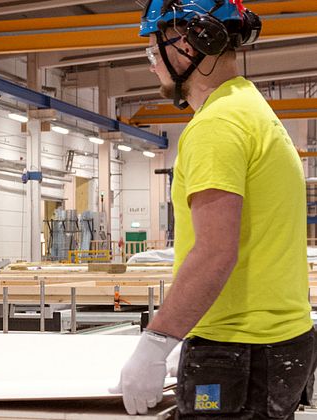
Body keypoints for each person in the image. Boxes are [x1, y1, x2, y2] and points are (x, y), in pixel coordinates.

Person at [111, 0, 316, 417]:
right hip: (277, 343)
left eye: (154, 51)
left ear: (188, 45)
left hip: (239, 351)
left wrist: (157, 342)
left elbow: (214, 252)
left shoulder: (216, 126)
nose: (152, 65)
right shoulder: (253, 111)